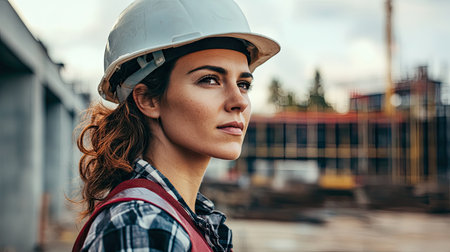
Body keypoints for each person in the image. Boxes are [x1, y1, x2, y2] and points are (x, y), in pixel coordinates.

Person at [74, 0, 279, 251]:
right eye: (210, 80)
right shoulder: (141, 224)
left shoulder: (185, 219)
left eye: (244, 84)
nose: (239, 102)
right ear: (148, 99)